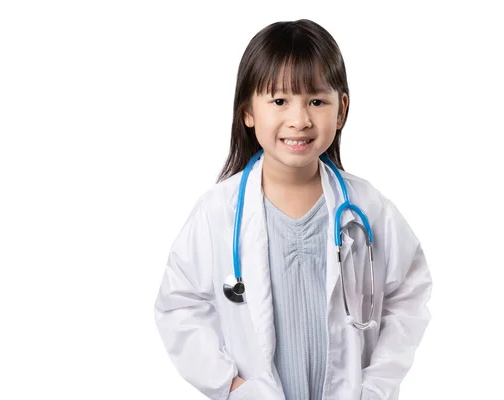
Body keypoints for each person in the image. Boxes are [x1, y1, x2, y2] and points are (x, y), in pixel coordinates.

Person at [154, 19, 432, 400]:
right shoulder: (217, 213)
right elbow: (178, 306)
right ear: (248, 111)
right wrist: (230, 386)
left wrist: (376, 385)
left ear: (341, 110)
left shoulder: (368, 210)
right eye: (279, 101)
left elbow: (409, 294)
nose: (299, 120)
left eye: (316, 101)